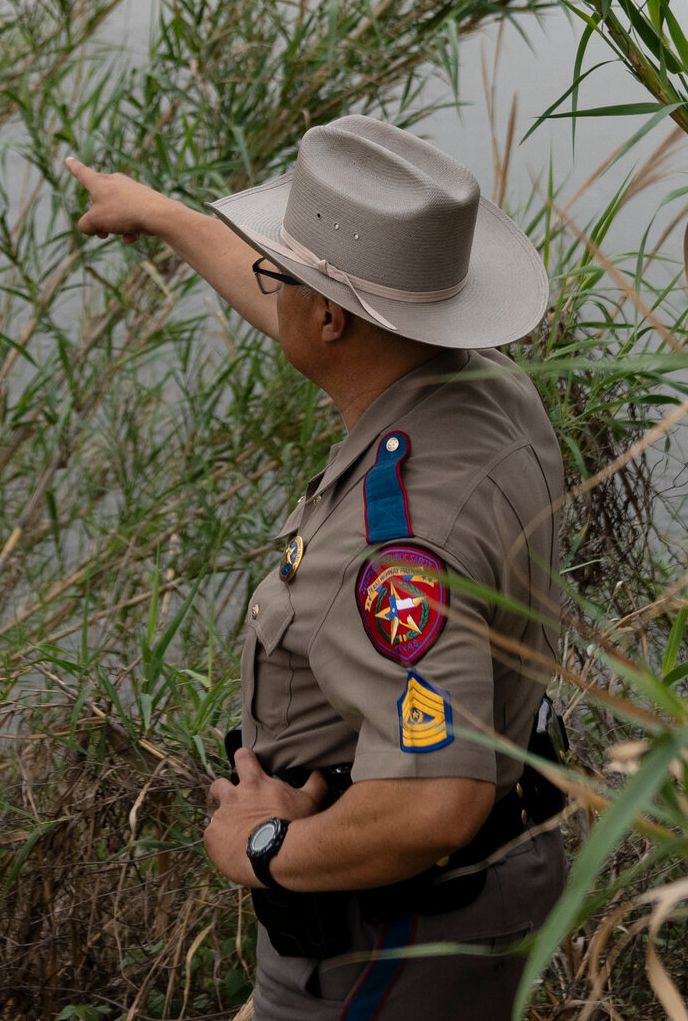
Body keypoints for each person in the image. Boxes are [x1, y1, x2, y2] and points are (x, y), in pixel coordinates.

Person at [66, 113, 569, 1021]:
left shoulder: (398, 546)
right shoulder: (489, 386)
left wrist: (255, 848)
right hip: (490, 884)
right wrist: (163, 215)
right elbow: (295, 312)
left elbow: (434, 806)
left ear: (335, 316)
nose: (271, 296)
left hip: (388, 937)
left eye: (281, 278)